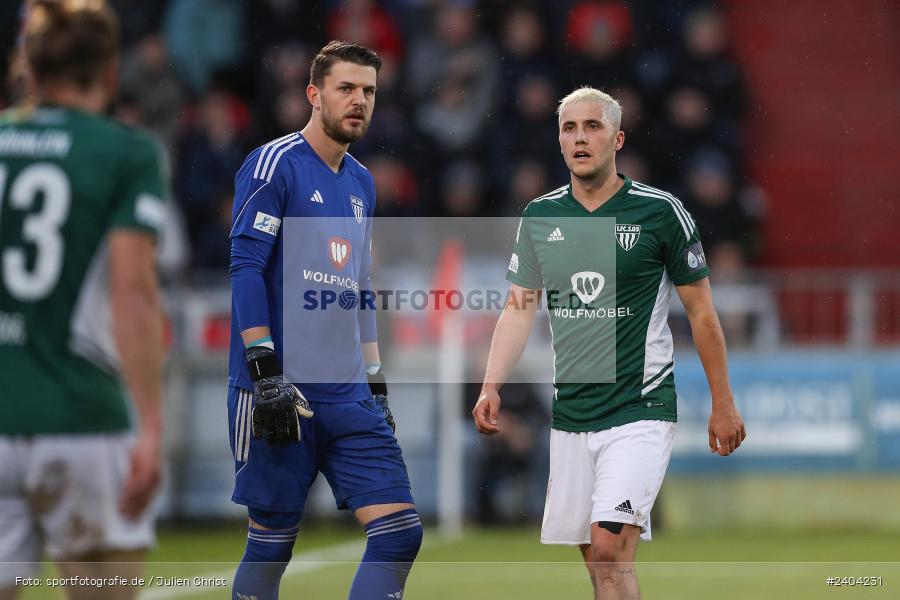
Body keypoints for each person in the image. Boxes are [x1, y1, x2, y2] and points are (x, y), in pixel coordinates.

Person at [472, 87, 746, 599]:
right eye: (569, 128)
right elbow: (519, 309)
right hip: (572, 414)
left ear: (617, 139)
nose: (580, 138)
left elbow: (702, 312)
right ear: (559, 141)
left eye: (592, 127)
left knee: (608, 546)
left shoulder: (660, 212)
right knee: (603, 568)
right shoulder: (540, 216)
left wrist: (723, 402)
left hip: (640, 408)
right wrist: (491, 385)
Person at [228, 41, 421, 600]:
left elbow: (360, 284)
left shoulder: (362, 182)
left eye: (369, 92)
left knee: (400, 533)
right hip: (280, 388)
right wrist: (265, 371)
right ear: (314, 94)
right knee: (272, 544)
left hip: (348, 392)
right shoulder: (274, 165)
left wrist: (376, 379)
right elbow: (245, 267)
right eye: (346, 88)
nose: (359, 101)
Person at [0, 1, 166, 598]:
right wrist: (150, 428)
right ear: (111, 71)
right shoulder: (125, 152)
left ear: (29, 68)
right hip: (81, 417)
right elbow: (132, 295)